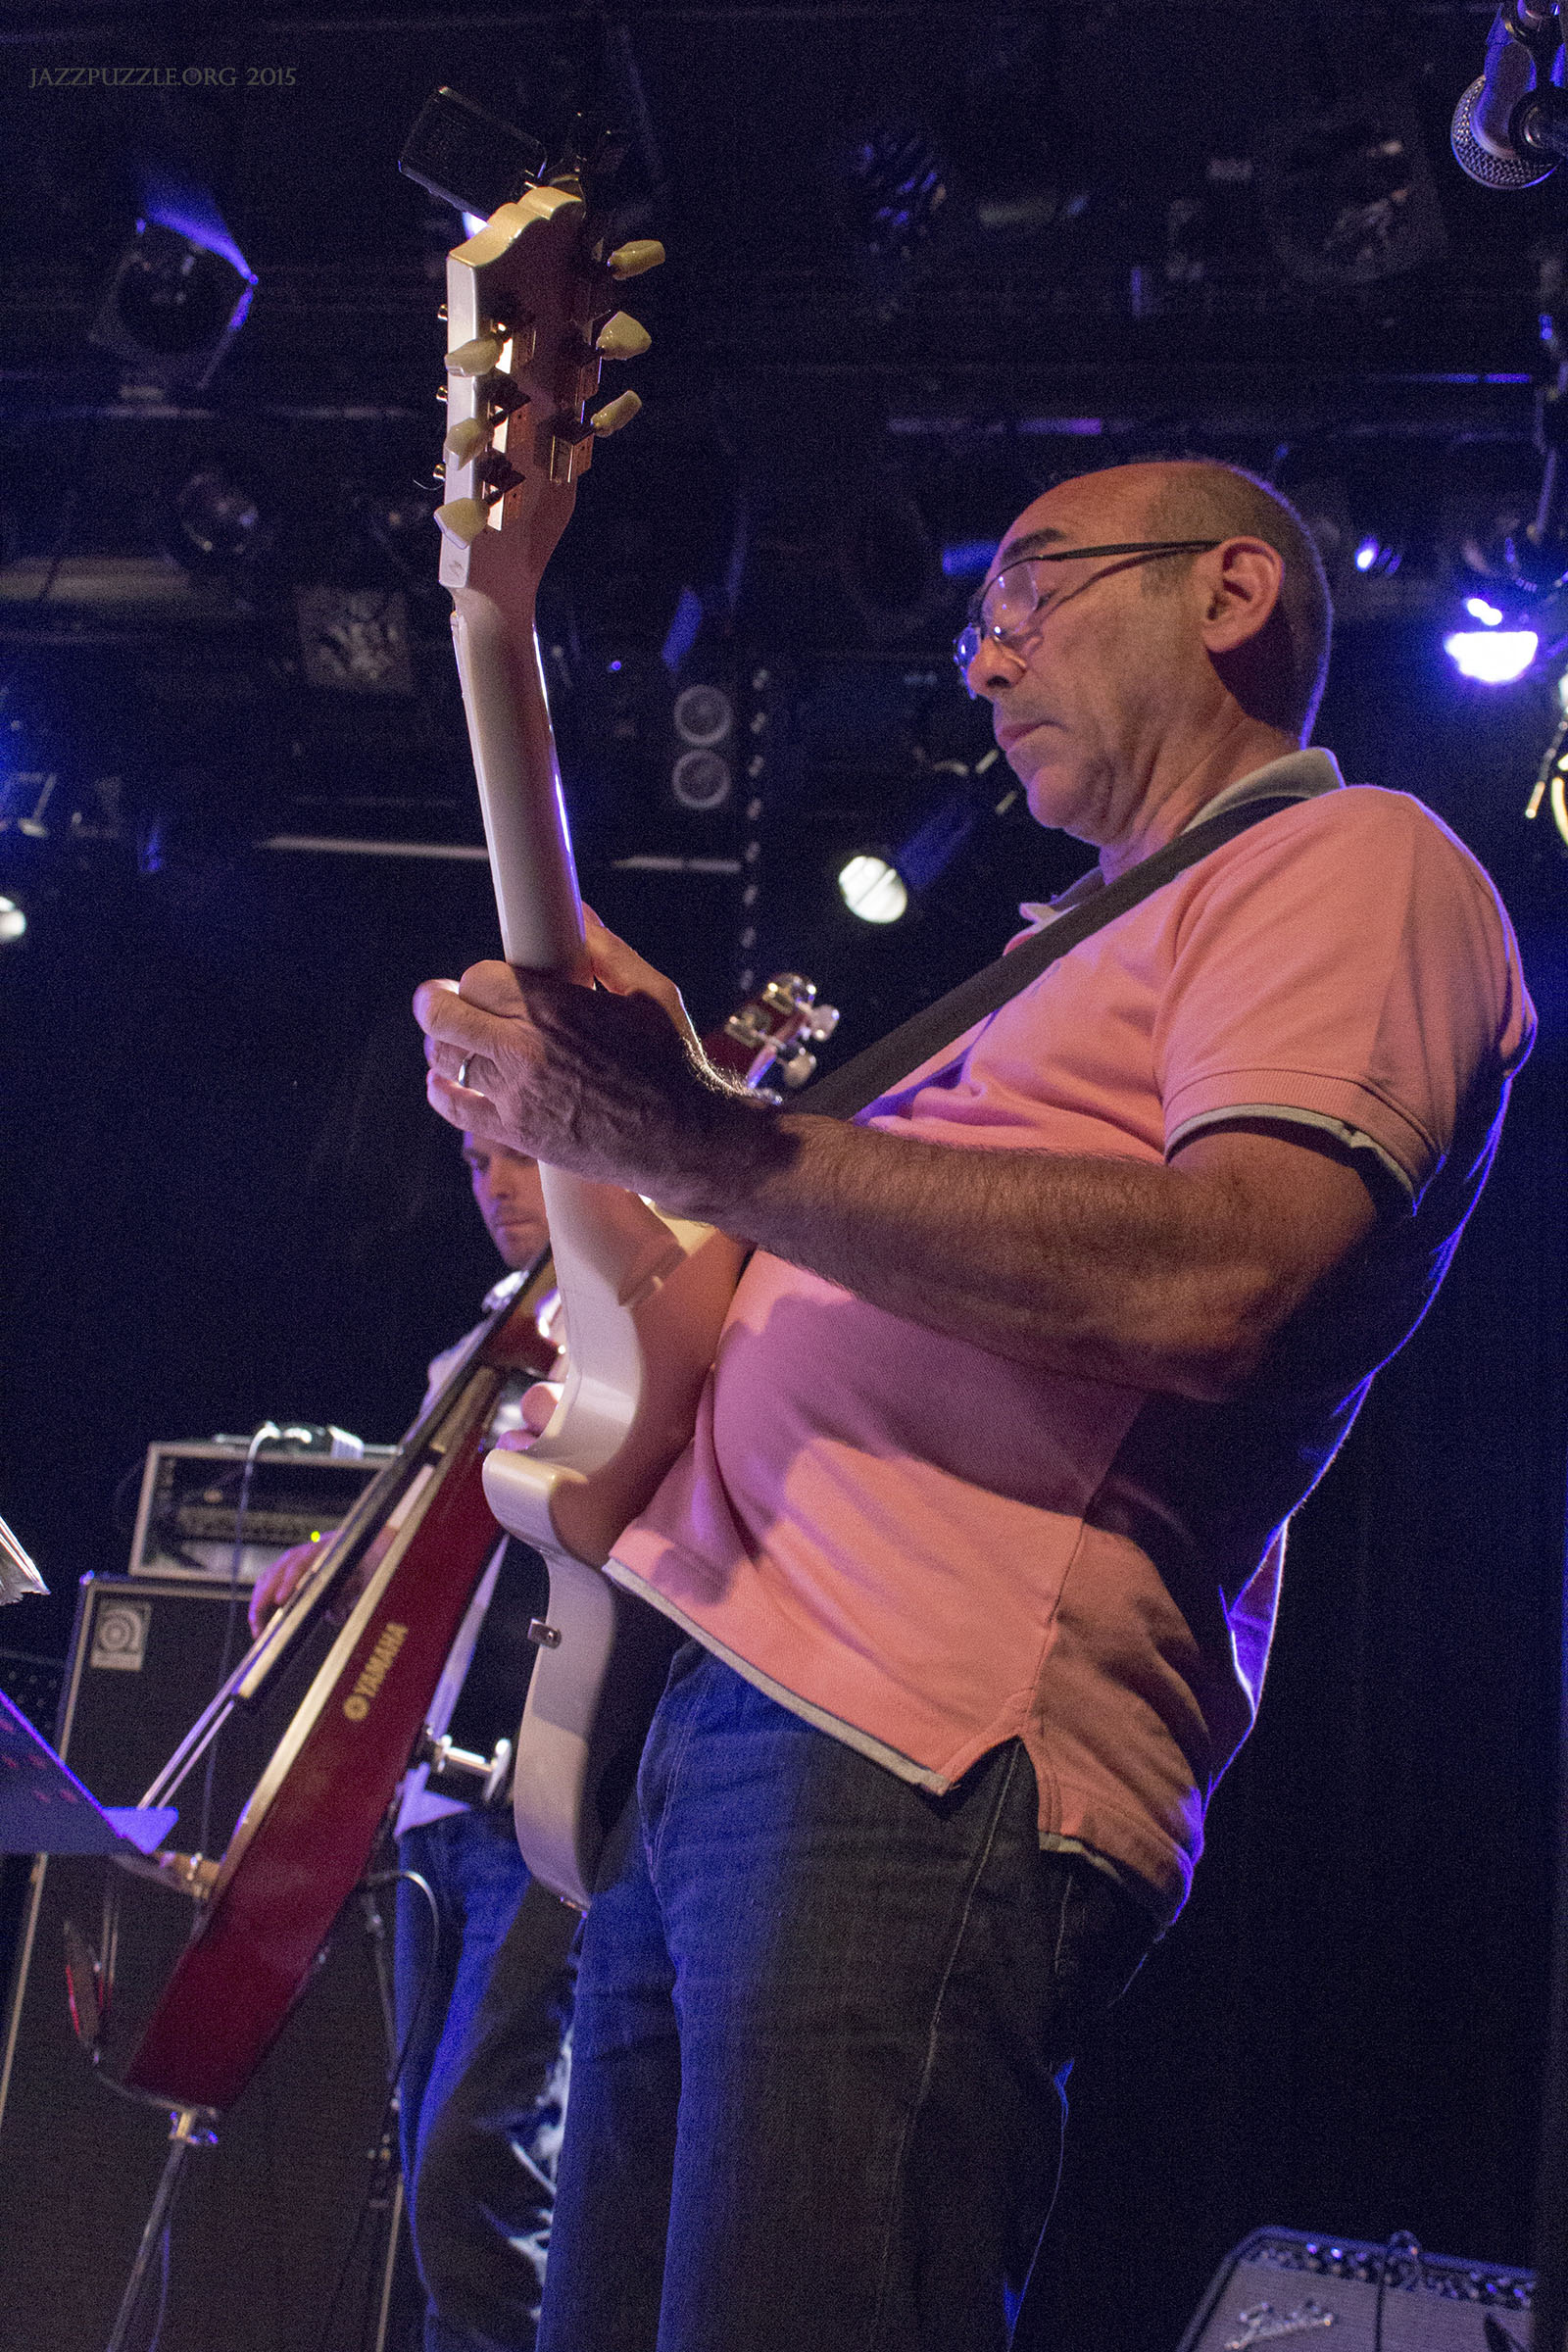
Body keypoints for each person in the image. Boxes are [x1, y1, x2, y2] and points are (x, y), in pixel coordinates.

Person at [412, 458, 1536, 2352]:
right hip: (723, 1720)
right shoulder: (1056, 952)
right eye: (974, 626)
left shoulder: (1356, 863)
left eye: (1026, 595)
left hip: (922, 1733)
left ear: (1230, 593)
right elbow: (788, 1248)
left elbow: (1227, 1275)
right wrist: (646, 1135)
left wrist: (707, 1142)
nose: (985, 658)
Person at [250, 1137, 577, 2352]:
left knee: (475, 2166)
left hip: (538, 1793)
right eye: (476, 1161)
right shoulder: (483, 1342)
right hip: (438, 1797)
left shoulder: (621, 1319)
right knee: (442, 2173)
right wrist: (336, 1565)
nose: (494, 1184)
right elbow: (435, 1538)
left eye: (519, 1155)